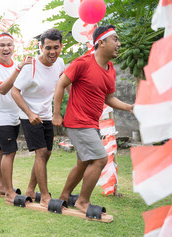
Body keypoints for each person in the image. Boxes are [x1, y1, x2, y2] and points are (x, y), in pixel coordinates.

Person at [52, 25, 133, 218]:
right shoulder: (82, 63)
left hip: (91, 123)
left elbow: (109, 98)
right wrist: (56, 113)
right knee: (100, 159)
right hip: (78, 121)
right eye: (115, 39)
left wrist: (129, 107)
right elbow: (61, 83)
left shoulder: (110, 70)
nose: (119, 44)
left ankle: (64, 196)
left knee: (83, 163)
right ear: (101, 42)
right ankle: (82, 200)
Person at [11, 28, 65, 208]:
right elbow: (14, 91)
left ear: (61, 46)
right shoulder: (31, 67)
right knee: (41, 153)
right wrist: (29, 113)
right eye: (48, 47)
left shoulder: (60, 64)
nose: (52, 52)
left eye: (56, 47)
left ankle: (30, 190)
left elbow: (61, 87)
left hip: (46, 115)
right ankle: (44, 196)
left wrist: (59, 112)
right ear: (40, 47)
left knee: (47, 153)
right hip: (30, 116)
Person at [0, 32, 31, 202]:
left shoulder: (18, 66)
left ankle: (1, 187)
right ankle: (10, 192)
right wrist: (18, 69)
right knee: (10, 151)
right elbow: (3, 89)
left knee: (2, 151)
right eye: (2, 45)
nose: (6, 48)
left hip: (14, 115)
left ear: (14, 47)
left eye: (9, 45)